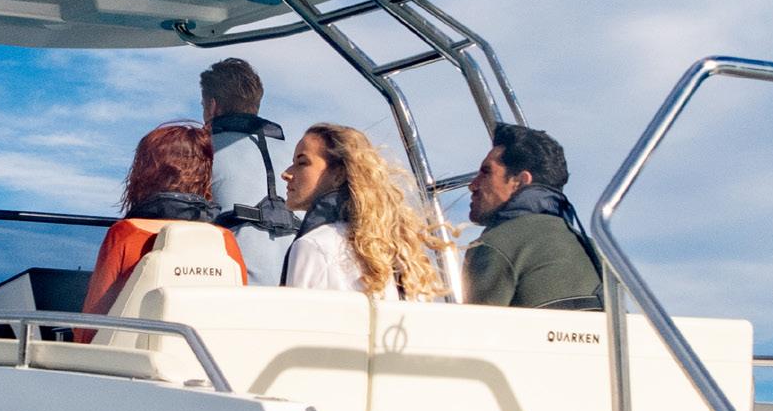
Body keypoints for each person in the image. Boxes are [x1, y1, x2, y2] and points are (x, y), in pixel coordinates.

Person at [79, 122, 248, 330]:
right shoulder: (224, 240)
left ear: (144, 172)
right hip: (203, 351)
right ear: (204, 174)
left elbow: (89, 328)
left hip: (128, 352)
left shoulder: (126, 234)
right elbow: (238, 317)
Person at [280, 123, 450, 298]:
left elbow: (297, 314)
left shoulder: (313, 246)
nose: (286, 173)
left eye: (302, 163)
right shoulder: (398, 254)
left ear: (339, 174)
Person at [464, 122, 603, 309]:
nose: (472, 185)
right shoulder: (595, 252)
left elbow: (476, 326)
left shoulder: (495, 244)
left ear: (520, 181)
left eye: (486, 172)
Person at [200, 58, 294, 285]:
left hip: (234, 294)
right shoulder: (296, 157)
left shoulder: (202, 151)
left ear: (212, 106)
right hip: (294, 292)